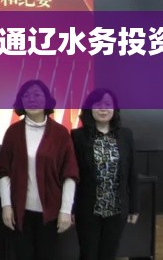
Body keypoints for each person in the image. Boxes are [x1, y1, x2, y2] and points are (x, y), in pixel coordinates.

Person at [0, 79, 79, 260]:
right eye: (26, 96)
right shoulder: (13, 132)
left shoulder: (60, 133)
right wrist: (6, 206)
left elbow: (70, 174)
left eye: (37, 95)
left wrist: (66, 210)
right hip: (20, 212)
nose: (31, 99)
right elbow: (3, 172)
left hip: (50, 213)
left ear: (47, 100)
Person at [71, 88, 139, 260]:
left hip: (116, 209)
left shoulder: (125, 135)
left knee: (109, 254)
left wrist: (134, 207)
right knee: (88, 254)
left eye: (108, 104)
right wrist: (70, 208)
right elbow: (73, 175)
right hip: (88, 209)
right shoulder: (78, 136)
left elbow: (132, 173)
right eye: (98, 104)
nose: (103, 109)